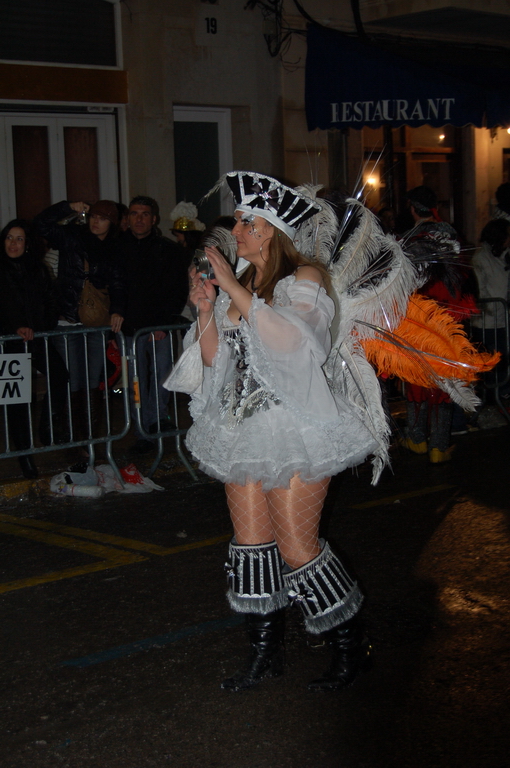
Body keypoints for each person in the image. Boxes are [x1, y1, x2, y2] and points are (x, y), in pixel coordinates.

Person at [183, 171, 380, 692]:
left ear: (269, 229)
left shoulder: (306, 278)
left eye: (245, 221)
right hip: (242, 427)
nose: (236, 230)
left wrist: (230, 289)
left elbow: (296, 344)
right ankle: (265, 655)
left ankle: (349, 645)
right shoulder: (241, 284)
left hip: (298, 427)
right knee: (250, 544)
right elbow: (216, 361)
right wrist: (206, 310)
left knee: (297, 549)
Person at [33, 199, 125, 444]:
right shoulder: (72, 236)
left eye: (103, 218)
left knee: (93, 380)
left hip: (96, 320)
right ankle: (73, 436)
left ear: (111, 222)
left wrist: (116, 309)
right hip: (67, 318)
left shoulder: (113, 247)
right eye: (94, 216)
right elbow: (40, 225)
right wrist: (66, 208)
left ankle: (90, 437)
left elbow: (117, 281)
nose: (96, 221)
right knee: (72, 378)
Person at [398, 186, 475, 462]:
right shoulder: (451, 233)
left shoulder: (409, 238)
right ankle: (438, 447)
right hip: (449, 319)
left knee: (416, 378)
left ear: (412, 208)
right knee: (443, 380)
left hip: (418, 319)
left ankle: (417, 438)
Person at [114, 196, 189, 453]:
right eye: (134, 213)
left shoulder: (168, 250)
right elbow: (115, 287)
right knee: (135, 383)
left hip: (159, 328)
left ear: (153, 219)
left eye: (144, 214)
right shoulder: (118, 248)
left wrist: (163, 324)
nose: (139, 219)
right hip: (129, 329)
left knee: (163, 376)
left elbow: (177, 290)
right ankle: (141, 432)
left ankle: (156, 421)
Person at [0, 220, 69, 478]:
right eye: (9, 237)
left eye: (19, 239)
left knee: (60, 374)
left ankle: (48, 426)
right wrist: (14, 327)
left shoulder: (37, 269)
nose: (13, 244)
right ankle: (24, 456)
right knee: (18, 401)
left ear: (27, 244)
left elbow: (51, 302)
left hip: (36, 339)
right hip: (8, 344)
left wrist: (38, 327)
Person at [471, 218, 510, 398]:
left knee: (502, 359)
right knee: (490, 360)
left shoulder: (502, 255)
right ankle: (489, 395)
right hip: (486, 321)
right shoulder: (481, 257)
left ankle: (500, 393)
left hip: (502, 319)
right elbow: (483, 289)